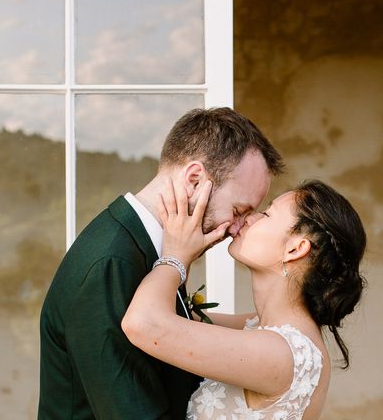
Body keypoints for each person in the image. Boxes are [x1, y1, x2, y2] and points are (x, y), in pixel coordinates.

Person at [38, 108, 285, 419]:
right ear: (194, 179)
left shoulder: (160, 251)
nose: (237, 228)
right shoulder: (111, 264)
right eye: (238, 210)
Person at [122, 178, 367, 420]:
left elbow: (143, 324)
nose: (250, 218)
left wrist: (176, 256)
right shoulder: (260, 328)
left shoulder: (283, 354)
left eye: (268, 214)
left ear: (295, 249)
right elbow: (177, 316)